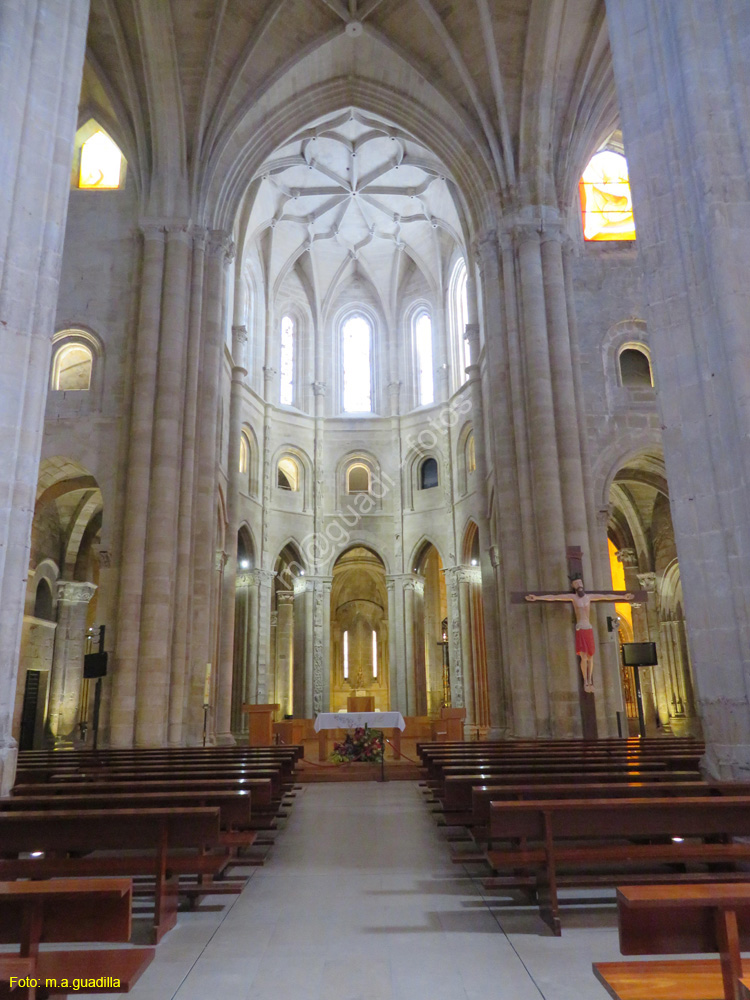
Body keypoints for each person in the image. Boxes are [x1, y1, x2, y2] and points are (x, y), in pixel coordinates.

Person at [525, 577, 634, 693]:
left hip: (588, 628)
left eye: (580, 582)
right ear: (574, 586)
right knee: (584, 657)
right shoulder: (573, 598)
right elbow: (554, 597)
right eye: (577, 583)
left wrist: (623, 597)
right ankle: (586, 681)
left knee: (591, 656)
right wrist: (536, 597)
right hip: (580, 628)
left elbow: (606, 596)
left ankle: (590, 681)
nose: (579, 584)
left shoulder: (589, 597)